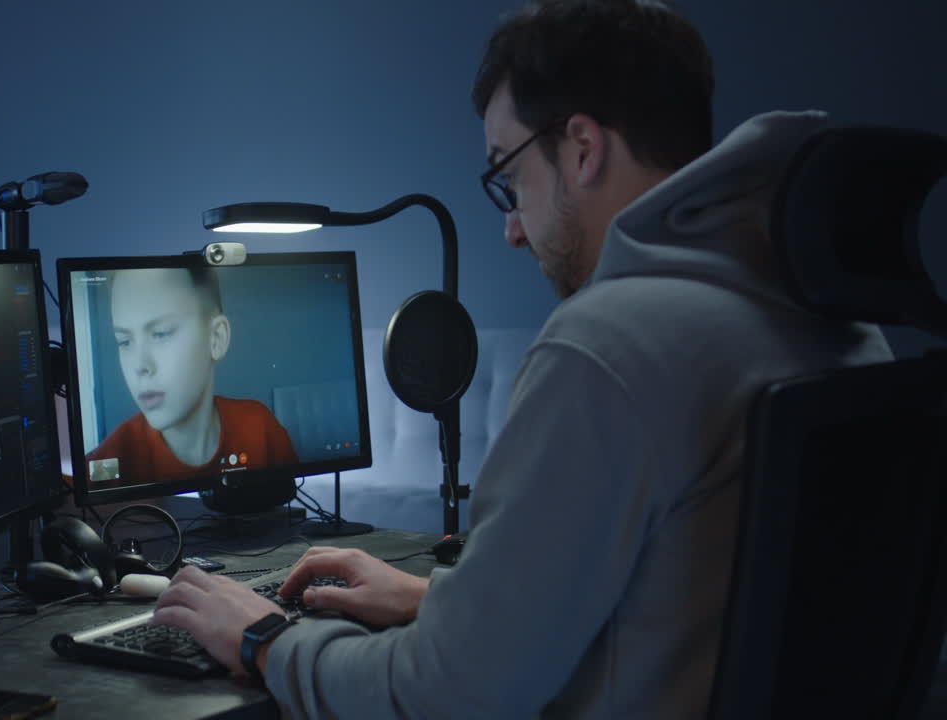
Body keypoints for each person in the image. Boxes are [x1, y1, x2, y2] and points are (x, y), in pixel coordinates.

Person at [152, 0, 893, 717]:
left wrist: (260, 637)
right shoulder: (828, 321)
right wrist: (445, 603)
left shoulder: (612, 344)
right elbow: (686, 607)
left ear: (582, 148)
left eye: (510, 180)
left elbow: (438, 699)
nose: (512, 228)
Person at [87, 266, 298, 487]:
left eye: (161, 333)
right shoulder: (106, 462)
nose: (140, 366)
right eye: (124, 342)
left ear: (216, 338)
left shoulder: (260, 429)